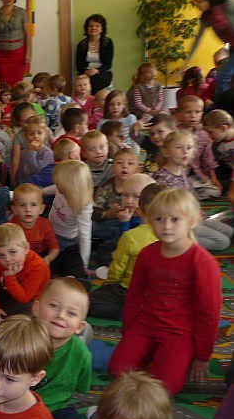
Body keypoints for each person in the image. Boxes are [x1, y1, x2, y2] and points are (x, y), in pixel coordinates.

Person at [108, 188, 222, 395]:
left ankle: (166, 358)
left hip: (180, 333)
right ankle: (152, 354)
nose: (167, 226)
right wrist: (129, 335)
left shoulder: (203, 262)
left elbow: (210, 313)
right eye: (159, 219)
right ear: (151, 222)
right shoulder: (147, 254)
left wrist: (202, 356)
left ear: (192, 222)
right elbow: (134, 297)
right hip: (146, 325)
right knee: (118, 371)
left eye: (175, 219)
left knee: (164, 389)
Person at [89, 178, 162, 321]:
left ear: (140, 211)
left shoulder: (131, 236)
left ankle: (132, 311)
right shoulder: (172, 235)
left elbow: (117, 270)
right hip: (158, 293)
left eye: (136, 196)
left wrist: (109, 284)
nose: (129, 200)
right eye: (126, 195)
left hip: (127, 290)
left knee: (87, 302)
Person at [32, 278, 92, 419]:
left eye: (71, 313)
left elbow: (81, 388)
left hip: (56, 410)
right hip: (16, 404)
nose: (61, 315)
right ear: (36, 308)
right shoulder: (22, 339)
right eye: (53, 306)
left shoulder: (82, 355)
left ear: (79, 327)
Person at [0, 222, 51, 318]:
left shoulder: (38, 266)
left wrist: (9, 276)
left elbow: (25, 298)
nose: (7, 259)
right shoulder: (1, 261)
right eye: (1, 255)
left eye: (12, 252)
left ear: (26, 248)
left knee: (25, 317)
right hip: (11, 291)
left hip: (32, 300)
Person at [187, 0, 234, 99]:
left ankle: (220, 105)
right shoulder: (206, 17)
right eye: (196, 2)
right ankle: (222, 105)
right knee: (224, 77)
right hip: (233, 47)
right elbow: (197, 40)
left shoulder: (227, 5)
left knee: (223, 75)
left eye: (200, 1)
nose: (198, 5)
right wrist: (186, 62)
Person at [49, 160, 94, 279]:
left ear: (72, 188)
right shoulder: (60, 189)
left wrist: (84, 263)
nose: (57, 186)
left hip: (68, 242)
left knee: (75, 270)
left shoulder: (83, 206)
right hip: (50, 233)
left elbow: (85, 236)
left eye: (59, 184)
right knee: (49, 265)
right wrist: (41, 192)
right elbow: (54, 188)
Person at [0, 0, 31, 87]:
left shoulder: (22, 13)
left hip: (18, 53)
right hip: (1, 54)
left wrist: (28, 54)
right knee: (4, 83)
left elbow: (28, 35)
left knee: (18, 83)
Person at [75, 13, 114, 94]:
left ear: (102, 28)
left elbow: (108, 64)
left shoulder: (108, 42)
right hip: (86, 73)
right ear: (86, 28)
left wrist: (96, 70)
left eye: (97, 26)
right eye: (90, 26)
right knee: (84, 83)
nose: (93, 28)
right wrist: (86, 72)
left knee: (98, 81)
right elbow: (79, 65)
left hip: (103, 72)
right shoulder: (82, 44)